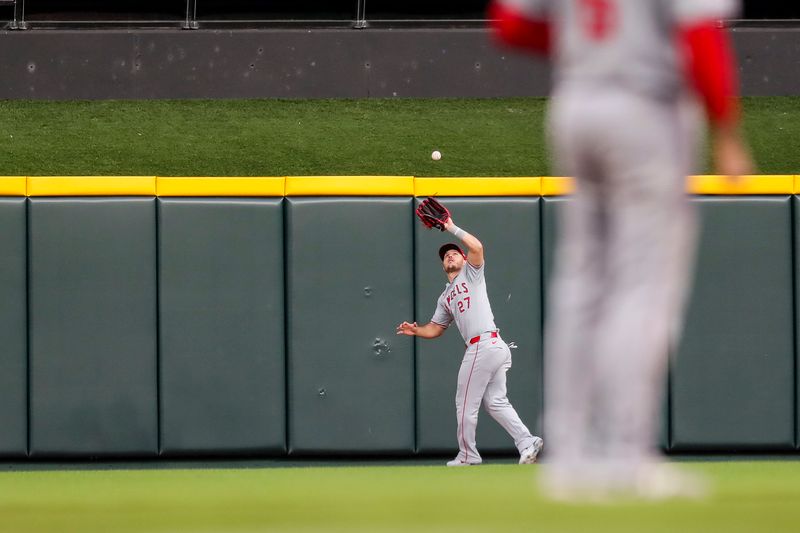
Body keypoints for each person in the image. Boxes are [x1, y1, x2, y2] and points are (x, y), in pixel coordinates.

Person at [489, 0, 753, 498]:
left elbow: (509, 25)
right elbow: (700, 32)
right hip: (645, 107)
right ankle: (626, 455)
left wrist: (586, 48)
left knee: (581, 281)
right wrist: (727, 125)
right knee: (644, 288)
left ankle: (567, 457)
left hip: (575, 104)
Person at [397, 215, 544, 466]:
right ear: (443, 265)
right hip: (492, 347)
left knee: (464, 401)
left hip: (485, 345)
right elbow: (435, 328)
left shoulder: (472, 273)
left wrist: (450, 228)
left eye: (454, 253)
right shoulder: (445, 297)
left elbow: (477, 247)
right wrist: (417, 330)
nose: (450, 256)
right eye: (446, 256)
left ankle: (467, 454)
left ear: (464, 259)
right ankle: (526, 442)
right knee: (495, 401)